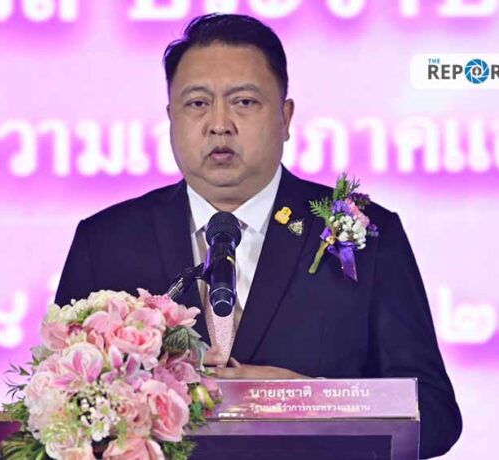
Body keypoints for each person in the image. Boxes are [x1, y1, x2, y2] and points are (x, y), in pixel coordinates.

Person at [55, 13, 461, 458]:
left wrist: (312, 402)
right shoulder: (105, 241)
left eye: (244, 102)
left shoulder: (365, 234)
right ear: (171, 118)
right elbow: (60, 406)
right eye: (197, 103)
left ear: (285, 118)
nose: (219, 124)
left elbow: (435, 416)